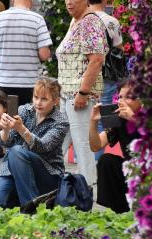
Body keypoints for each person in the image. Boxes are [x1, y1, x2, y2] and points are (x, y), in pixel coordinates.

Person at [0, 78, 69, 208]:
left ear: (55, 101)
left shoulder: (61, 121)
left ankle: (31, 208)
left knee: (16, 151)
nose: (38, 103)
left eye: (44, 99)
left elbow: (43, 147)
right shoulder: (24, 110)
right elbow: (5, 142)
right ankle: (29, 200)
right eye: (36, 97)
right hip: (14, 168)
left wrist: (22, 129)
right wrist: (5, 130)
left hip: (47, 173)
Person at [55, 0, 107, 188]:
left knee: (82, 145)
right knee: (58, 141)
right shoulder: (75, 21)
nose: (69, 2)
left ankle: (86, 191)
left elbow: (96, 60)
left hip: (80, 96)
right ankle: (55, 185)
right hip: (67, 95)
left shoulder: (89, 22)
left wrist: (83, 93)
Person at [0, 0, 52, 106]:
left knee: (7, 119)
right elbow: (44, 55)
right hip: (30, 82)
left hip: (4, 81)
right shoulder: (37, 19)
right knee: (28, 120)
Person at [89, 81, 141, 213]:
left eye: (129, 97)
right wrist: (93, 122)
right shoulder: (119, 118)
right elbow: (96, 146)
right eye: (120, 97)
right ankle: (119, 212)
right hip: (130, 171)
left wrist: (134, 119)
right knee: (106, 161)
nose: (122, 101)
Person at [88, 0, 124, 160]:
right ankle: (99, 158)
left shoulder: (81, 19)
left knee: (84, 117)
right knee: (103, 116)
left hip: (84, 76)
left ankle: (83, 158)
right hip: (106, 75)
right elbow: (119, 48)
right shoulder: (112, 21)